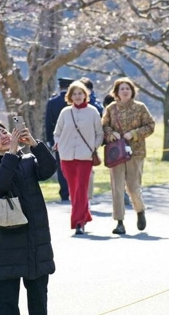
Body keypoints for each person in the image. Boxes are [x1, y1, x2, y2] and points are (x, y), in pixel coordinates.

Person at [0, 123, 57, 315]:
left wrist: (34, 144)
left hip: (35, 241)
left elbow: (49, 169)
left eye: (5, 132)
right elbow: (1, 185)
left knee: (39, 303)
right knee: (6, 306)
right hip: (6, 246)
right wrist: (12, 153)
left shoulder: (28, 160)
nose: (4, 136)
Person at [102, 77, 156, 234]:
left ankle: (140, 210)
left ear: (132, 91)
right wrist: (111, 134)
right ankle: (119, 222)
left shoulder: (140, 107)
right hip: (116, 154)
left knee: (133, 187)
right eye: (122, 89)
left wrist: (134, 134)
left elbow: (150, 126)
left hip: (135, 152)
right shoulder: (111, 109)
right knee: (117, 188)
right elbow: (104, 126)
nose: (125, 91)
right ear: (116, 92)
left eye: (127, 88)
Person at [53, 80, 103, 235]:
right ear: (70, 96)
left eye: (80, 93)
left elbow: (99, 133)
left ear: (85, 95)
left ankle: (78, 222)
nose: (77, 96)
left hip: (85, 156)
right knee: (73, 189)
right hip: (66, 156)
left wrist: (93, 147)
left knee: (81, 188)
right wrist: (59, 145)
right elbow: (57, 132)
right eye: (74, 94)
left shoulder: (93, 111)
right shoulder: (65, 112)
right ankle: (84, 215)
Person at [45, 78, 73, 201]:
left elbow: (48, 122)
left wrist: (49, 140)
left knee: (62, 167)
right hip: (73, 138)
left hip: (59, 139)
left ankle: (64, 192)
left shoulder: (52, 102)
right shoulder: (73, 101)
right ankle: (73, 189)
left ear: (60, 86)